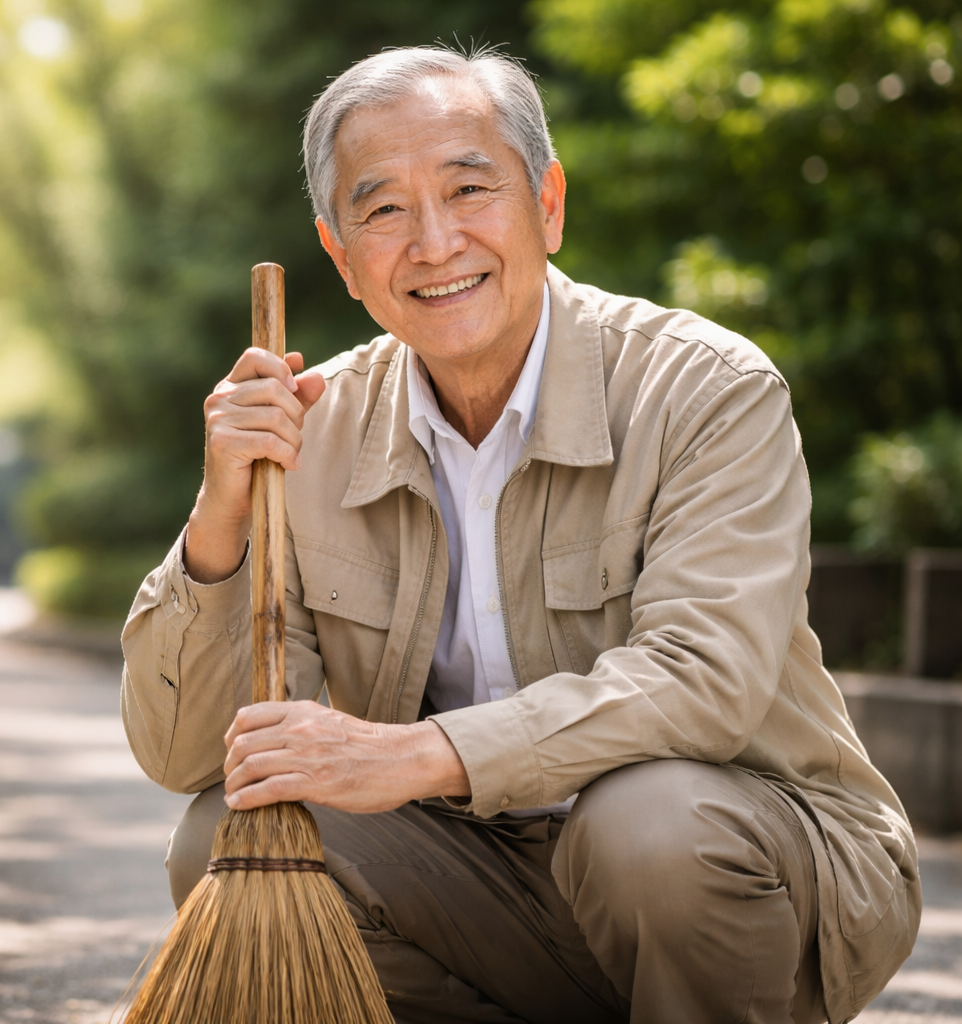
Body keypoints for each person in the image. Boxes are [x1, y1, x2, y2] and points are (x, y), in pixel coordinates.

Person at [120, 45, 920, 1024]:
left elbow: (705, 680)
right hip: (479, 891)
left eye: (469, 189)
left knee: (644, 828)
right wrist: (222, 512)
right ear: (340, 254)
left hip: (748, 868)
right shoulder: (309, 427)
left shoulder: (704, 388)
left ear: (548, 204)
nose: (434, 241)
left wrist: (419, 754)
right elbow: (185, 756)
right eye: (383, 211)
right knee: (221, 835)